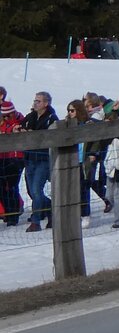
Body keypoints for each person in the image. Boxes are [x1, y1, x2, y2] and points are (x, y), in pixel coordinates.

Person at [20, 91, 59, 231]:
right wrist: (19, 129)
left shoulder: (52, 118)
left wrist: (33, 135)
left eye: (38, 101)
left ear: (46, 103)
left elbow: (51, 137)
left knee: (37, 190)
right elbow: (21, 126)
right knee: (32, 191)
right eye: (35, 100)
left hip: (43, 158)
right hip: (29, 158)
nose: (35, 103)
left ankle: (35, 221)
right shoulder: (30, 116)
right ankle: (51, 209)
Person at [0, 98, 25, 227]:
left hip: (16, 158)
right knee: (3, 188)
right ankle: (9, 213)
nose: (5, 118)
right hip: (4, 158)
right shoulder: (4, 124)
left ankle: (13, 215)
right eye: (3, 116)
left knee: (11, 187)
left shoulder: (19, 120)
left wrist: (13, 129)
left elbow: (16, 129)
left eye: (7, 116)